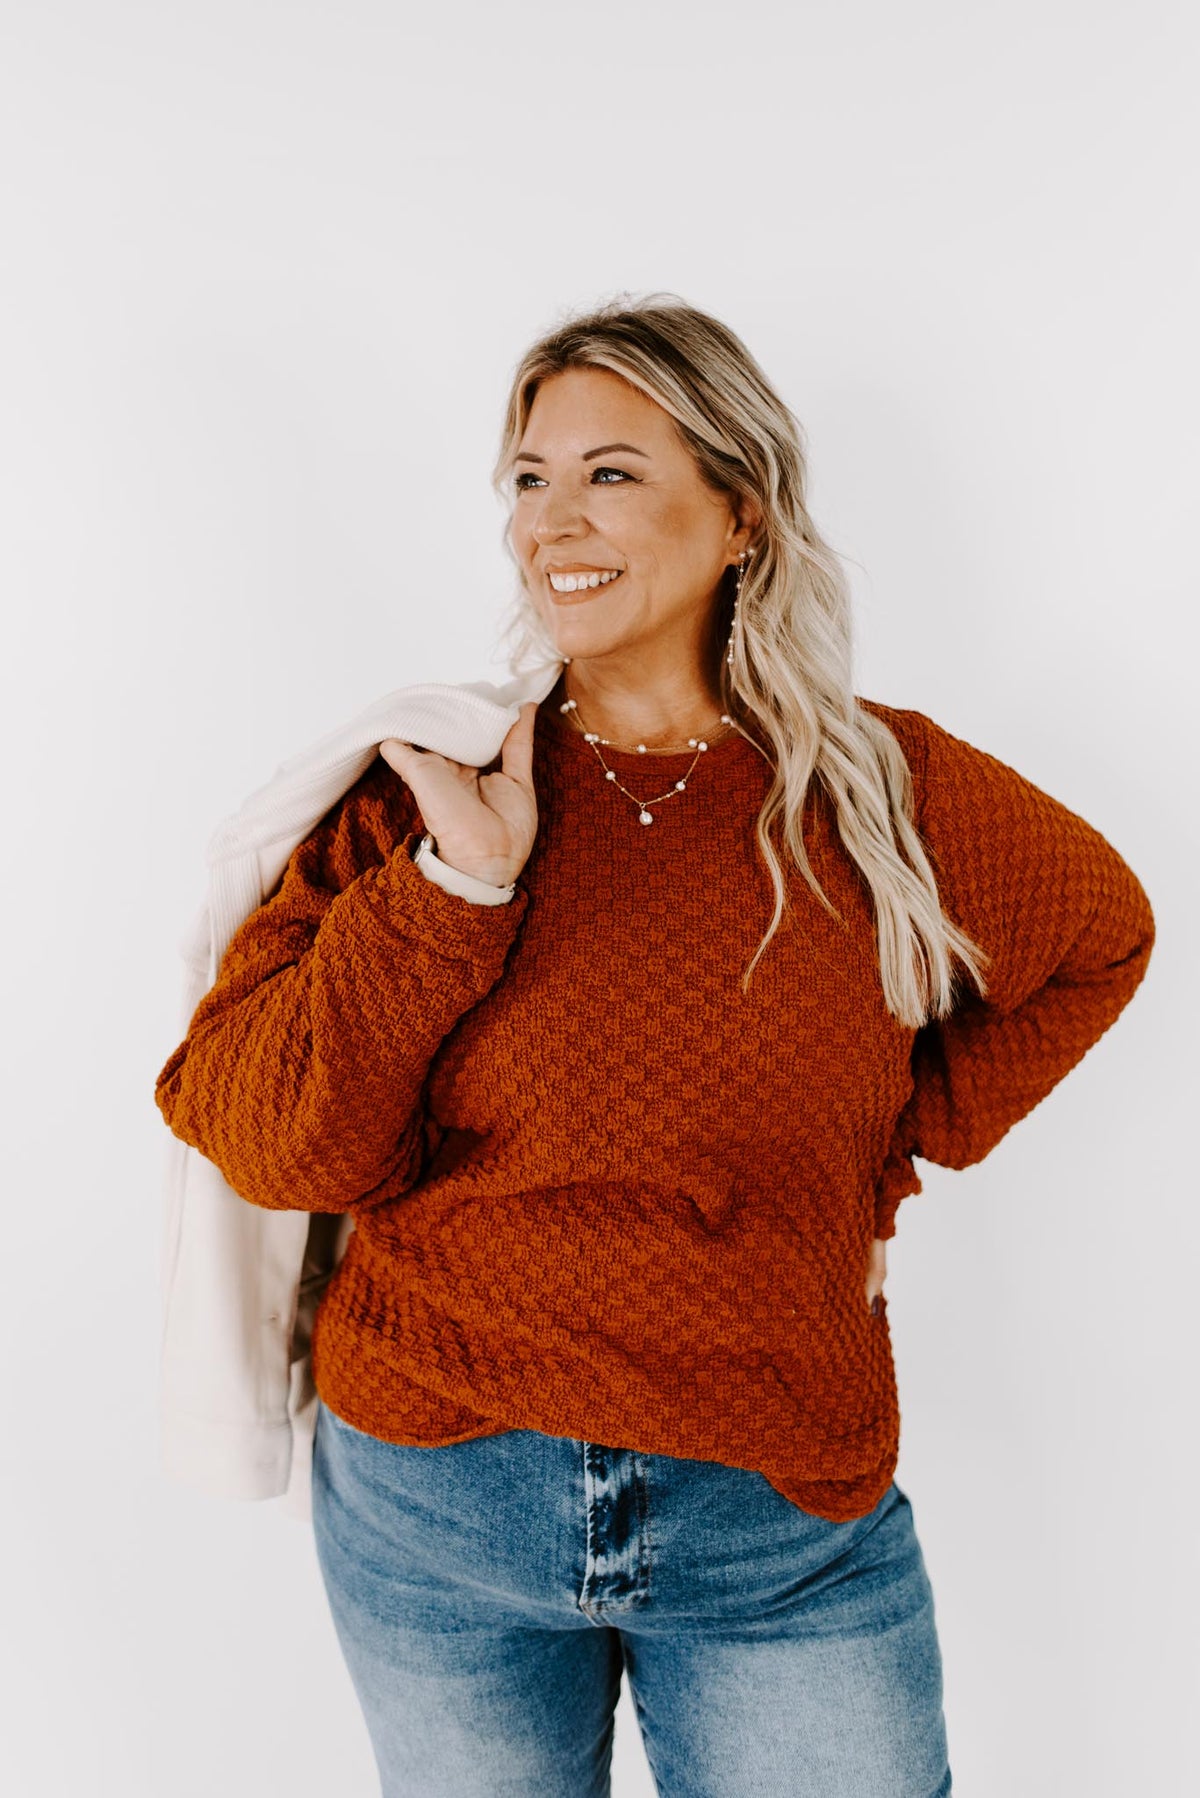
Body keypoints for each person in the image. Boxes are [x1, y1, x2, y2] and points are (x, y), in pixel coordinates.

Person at [154, 293, 1155, 1796]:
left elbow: (1101, 935)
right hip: (442, 1501)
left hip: (776, 1520)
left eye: (610, 472)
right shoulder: (425, 787)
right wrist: (455, 890)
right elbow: (278, 1143)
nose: (551, 518)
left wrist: (891, 1147)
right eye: (529, 477)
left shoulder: (889, 791)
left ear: (741, 513)